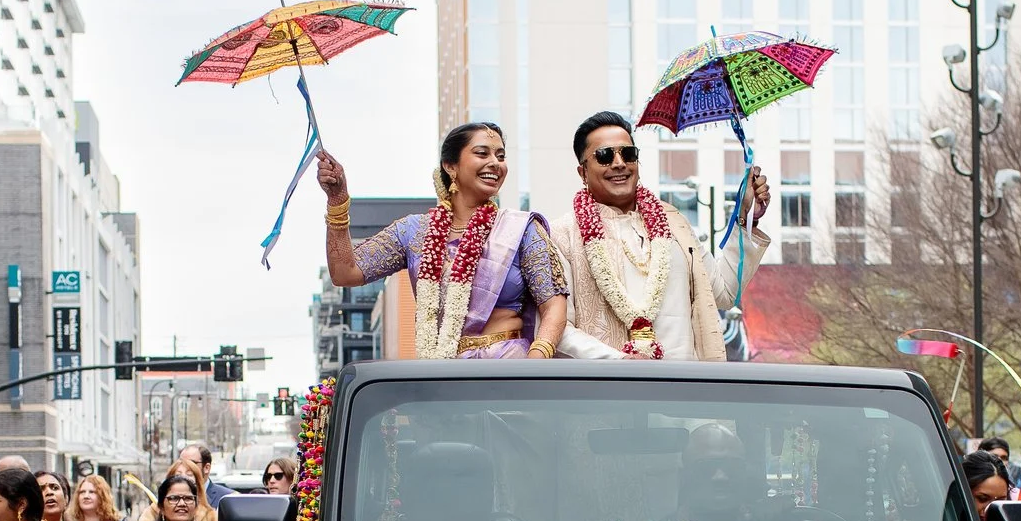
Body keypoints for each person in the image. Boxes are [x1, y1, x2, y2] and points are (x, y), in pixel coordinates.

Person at [317, 123, 571, 360]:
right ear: (451, 166)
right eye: (482, 154)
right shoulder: (414, 231)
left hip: (508, 367)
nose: (495, 163)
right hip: (441, 373)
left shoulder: (522, 229)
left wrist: (535, 362)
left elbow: (554, 303)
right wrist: (337, 200)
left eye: (501, 156)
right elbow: (345, 273)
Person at [544, 111, 767, 361]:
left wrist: (747, 219)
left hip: (684, 389)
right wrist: (619, 363)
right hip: (608, 389)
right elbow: (558, 328)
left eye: (628, 154)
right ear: (583, 172)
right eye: (605, 156)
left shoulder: (674, 223)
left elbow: (724, 293)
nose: (619, 163)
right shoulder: (562, 235)